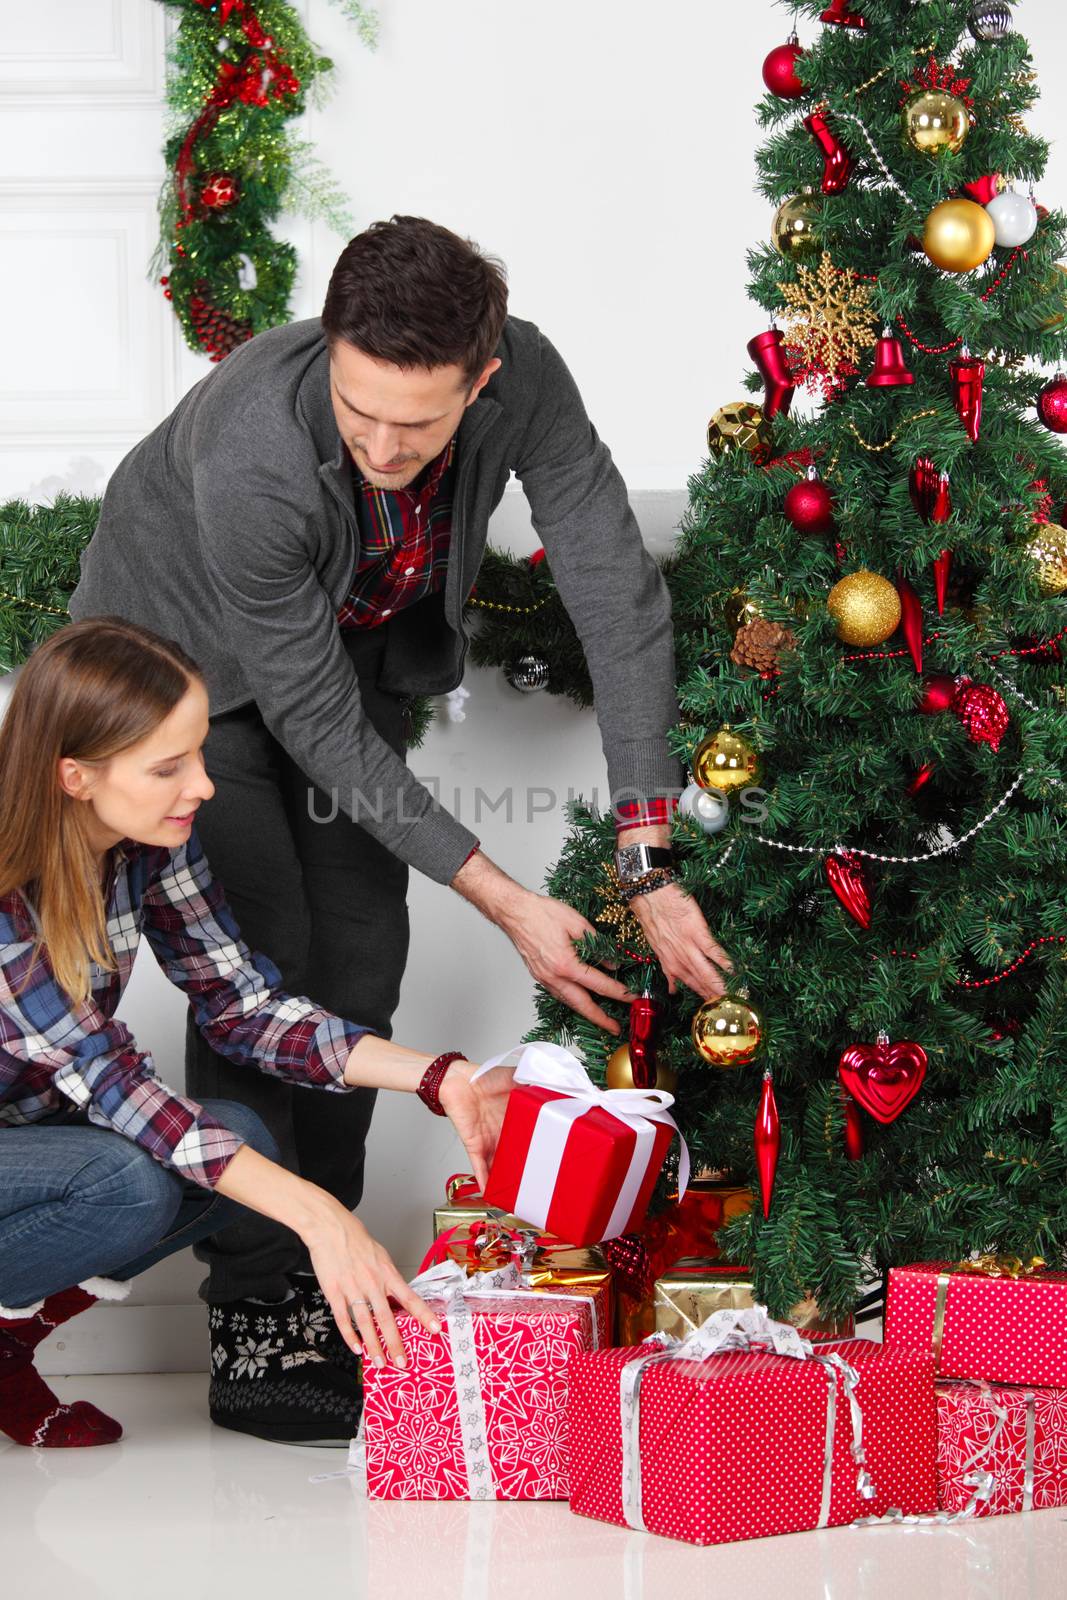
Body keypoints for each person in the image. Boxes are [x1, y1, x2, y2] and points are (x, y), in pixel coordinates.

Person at [70, 214, 733, 1439]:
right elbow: (311, 717)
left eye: (416, 424)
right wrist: (507, 898)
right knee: (264, 960)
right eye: (357, 407)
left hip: (353, 650)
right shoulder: (258, 451)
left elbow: (610, 587)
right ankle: (259, 1321)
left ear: (482, 380)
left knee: (363, 956)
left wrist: (648, 850)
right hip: (181, 682)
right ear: (329, 347)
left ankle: (335, 1288)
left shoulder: (522, 374)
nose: (379, 444)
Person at [0, 619, 513, 1448]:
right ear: (74, 776)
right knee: (122, 1179)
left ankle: (4, 1349)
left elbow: (241, 1007)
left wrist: (439, 1076)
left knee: (236, 1141)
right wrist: (321, 1217)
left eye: (199, 754)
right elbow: (111, 1083)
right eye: (168, 768)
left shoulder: (147, 847)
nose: (201, 786)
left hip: (23, 1139)